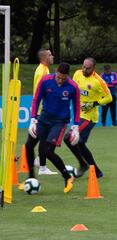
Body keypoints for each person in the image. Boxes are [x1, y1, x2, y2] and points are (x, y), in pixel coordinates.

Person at [28, 63, 80, 193]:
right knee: (29, 145)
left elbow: (77, 106)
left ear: (67, 76)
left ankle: (67, 177)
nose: (60, 80)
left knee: (47, 151)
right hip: (43, 118)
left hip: (60, 122)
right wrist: (33, 119)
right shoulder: (45, 81)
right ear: (55, 72)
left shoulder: (73, 87)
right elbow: (36, 100)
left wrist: (76, 126)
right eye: (58, 77)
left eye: (63, 78)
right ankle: (31, 178)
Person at [64, 57, 112, 178]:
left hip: (89, 117)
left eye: (87, 68)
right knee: (79, 143)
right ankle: (96, 171)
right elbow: (73, 89)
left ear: (93, 68)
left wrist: (94, 103)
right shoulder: (77, 74)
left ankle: (84, 165)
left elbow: (109, 97)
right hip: (78, 115)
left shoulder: (98, 81)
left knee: (69, 138)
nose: (84, 69)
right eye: (83, 66)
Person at [26, 49, 58, 175]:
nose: (52, 56)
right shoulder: (43, 71)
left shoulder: (42, 69)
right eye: (50, 55)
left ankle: (41, 165)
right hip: (42, 111)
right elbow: (43, 92)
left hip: (41, 110)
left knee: (44, 140)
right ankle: (41, 167)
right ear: (44, 58)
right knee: (39, 141)